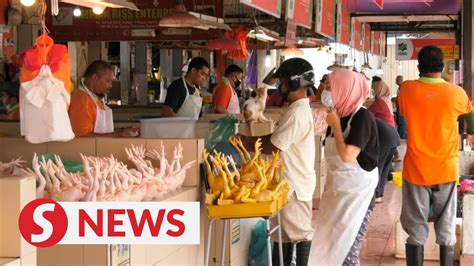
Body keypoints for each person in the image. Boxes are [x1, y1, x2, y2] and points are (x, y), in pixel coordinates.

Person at [399, 46, 472, 266]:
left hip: (416, 169)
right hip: (445, 169)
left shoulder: (407, 90)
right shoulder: (456, 93)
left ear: (419, 66)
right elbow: (468, 111)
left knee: (415, 229)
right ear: (442, 66)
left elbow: (403, 111)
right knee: (447, 225)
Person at [313, 68, 379, 265]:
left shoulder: (362, 118)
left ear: (345, 89)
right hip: (337, 193)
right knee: (329, 248)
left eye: (331, 87)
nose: (327, 92)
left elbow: (347, 155)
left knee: (347, 252)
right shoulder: (339, 115)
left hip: (357, 197)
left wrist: (334, 127)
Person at [68, 60, 139, 137]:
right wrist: (118, 134)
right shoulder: (81, 100)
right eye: (107, 81)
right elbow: (83, 138)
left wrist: (122, 130)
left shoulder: (95, 98)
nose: (111, 86)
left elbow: (102, 131)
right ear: (95, 77)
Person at [374, 118, 400, 203]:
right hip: (394, 138)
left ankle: (377, 195)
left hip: (386, 140)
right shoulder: (367, 114)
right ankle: (379, 194)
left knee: (378, 168)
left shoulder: (360, 117)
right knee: (385, 167)